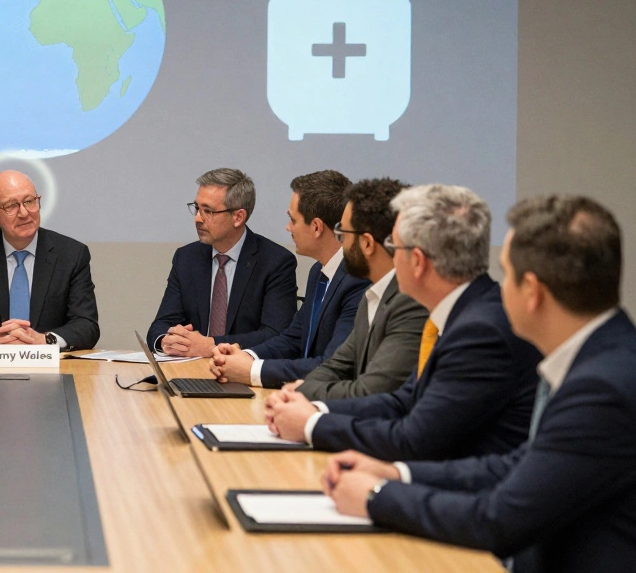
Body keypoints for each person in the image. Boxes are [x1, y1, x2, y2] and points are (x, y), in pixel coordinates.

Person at [323, 195, 636, 573]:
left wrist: (377, 496)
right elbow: (517, 467)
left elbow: (498, 521)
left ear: (533, 292)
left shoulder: (602, 389)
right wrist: (396, 474)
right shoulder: (605, 357)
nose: (498, 289)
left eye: (506, 274)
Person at [264, 184, 542, 460]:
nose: (390, 258)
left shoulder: (480, 330)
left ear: (417, 261)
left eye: (394, 247)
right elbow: (403, 400)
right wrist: (315, 410)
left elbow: (416, 437)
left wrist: (311, 425)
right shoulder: (462, 314)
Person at [210, 170, 367, 388]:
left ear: (316, 227)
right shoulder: (318, 272)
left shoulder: (358, 281)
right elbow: (293, 339)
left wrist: (252, 371)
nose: (288, 227)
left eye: (293, 220)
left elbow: (332, 366)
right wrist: (244, 356)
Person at [291, 178, 428, 400]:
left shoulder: (411, 303)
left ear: (367, 244)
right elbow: (336, 365)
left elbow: (371, 391)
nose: (341, 243)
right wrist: (302, 390)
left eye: (343, 233)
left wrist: (301, 392)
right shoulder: (372, 295)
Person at [0, 169, 99, 351]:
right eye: (11, 206)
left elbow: (87, 324)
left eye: (29, 201)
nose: (24, 213)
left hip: (52, 364)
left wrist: (45, 341)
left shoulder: (72, 254)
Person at [148, 168, 298, 357]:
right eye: (197, 208)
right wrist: (166, 340)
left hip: (243, 370)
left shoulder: (275, 262)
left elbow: (276, 335)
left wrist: (211, 345)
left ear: (238, 217)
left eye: (208, 211)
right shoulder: (186, 258)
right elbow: (161, 325)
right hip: (191, 368)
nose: (197, 218)